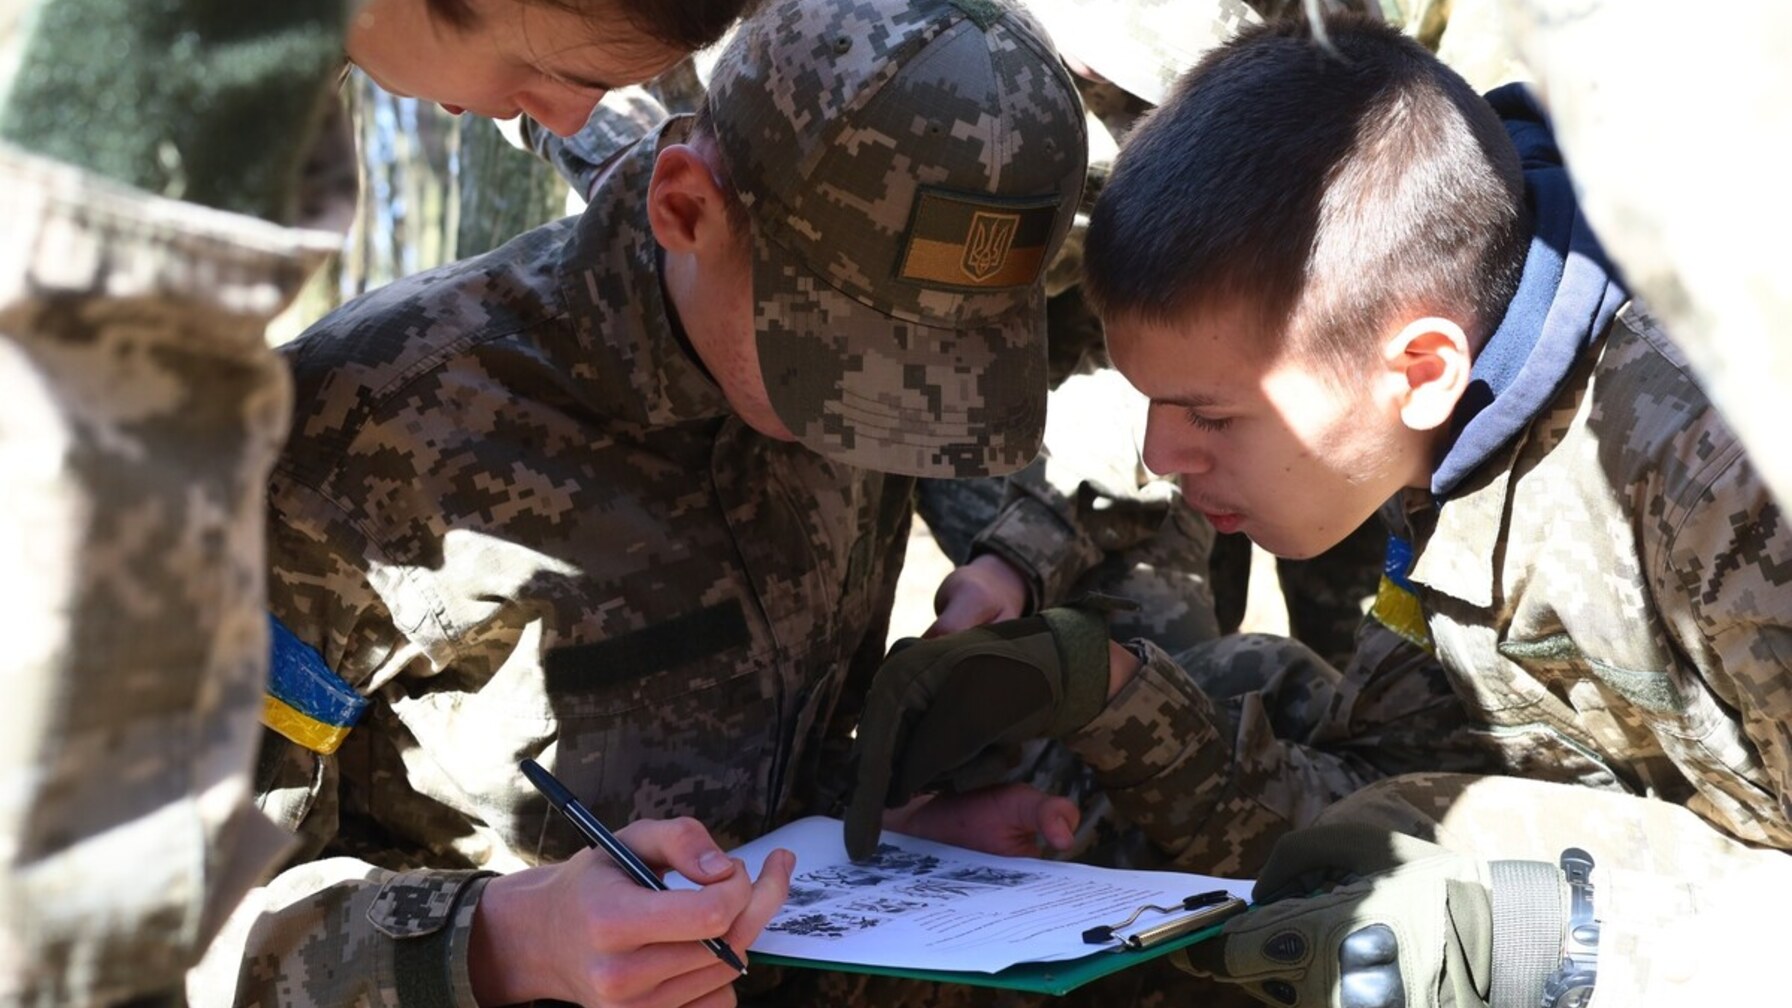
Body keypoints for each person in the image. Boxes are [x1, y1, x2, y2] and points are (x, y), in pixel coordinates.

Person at [851, 13, 1792, 1007]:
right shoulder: (1439, 428)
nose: (1159, 457)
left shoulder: (1730, 460)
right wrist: (1102, 688)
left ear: (1419, 367)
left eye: (1208, 413)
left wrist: (1556, 949)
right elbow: (1384, 812)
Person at [188, 0, 1088, 1004]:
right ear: (685, 210)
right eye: (846, 355)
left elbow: (747, 767)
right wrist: (494, 945)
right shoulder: (360, 431)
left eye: (938, 365)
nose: (886, 412)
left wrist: (886, 846)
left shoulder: (836, 402)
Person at [0, 1, 753, 1003]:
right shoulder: (164, 117)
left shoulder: (277, 72)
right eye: (540, 69)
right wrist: (483, 946)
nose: (565, 123)